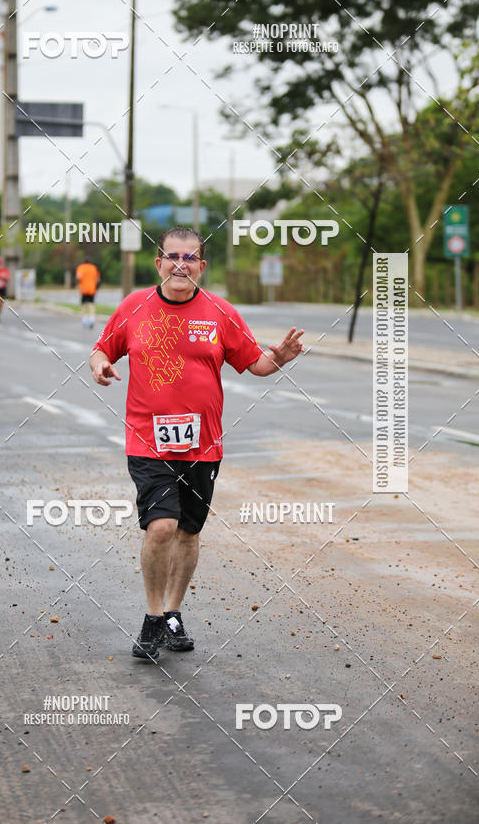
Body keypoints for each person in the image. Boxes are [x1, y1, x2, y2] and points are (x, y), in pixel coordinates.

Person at [90, 227, 304, 660]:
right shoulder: (135, 307)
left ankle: (173, 613)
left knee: (188, 532)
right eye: (173, 256)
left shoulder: (220, 313)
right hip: (148, 441)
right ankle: (152, 618)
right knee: (161, 527)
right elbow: (101, 350)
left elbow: (255, 364)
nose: (181, 264)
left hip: (203, 446)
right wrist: (100, 367)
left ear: (202, 267)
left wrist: (279, 357)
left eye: (190, 258)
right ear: (159, 263)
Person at [75, 257, 100, 328]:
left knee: (84, 305)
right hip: (92, 289)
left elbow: (78, 277)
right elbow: (97, 279)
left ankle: (84, 320)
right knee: (91, 304)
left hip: (83, 289)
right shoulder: (93, 268)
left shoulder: (81, 267)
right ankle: (92, 319)